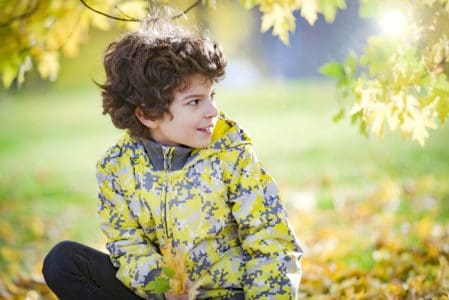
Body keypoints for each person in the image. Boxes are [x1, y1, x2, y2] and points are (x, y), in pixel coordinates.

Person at [42, 14, 302, 300]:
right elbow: (127, 245)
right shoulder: (116, 168)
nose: (212, 111)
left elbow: (269, 238)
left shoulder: (232, 154)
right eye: (195, 102)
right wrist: (165, 287)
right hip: (161, 296)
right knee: (63, 261)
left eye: (211, 95)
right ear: (148, 114)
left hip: (228, 294)